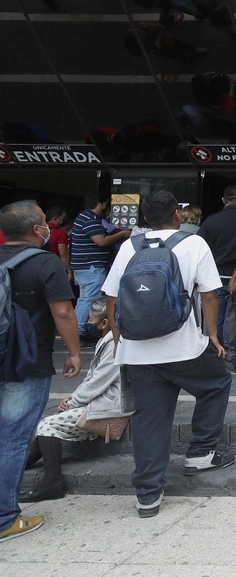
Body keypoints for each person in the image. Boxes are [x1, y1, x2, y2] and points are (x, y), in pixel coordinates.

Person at [102, 190, 231, 518]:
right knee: (215, 383)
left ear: (144, 218)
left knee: (149, 420)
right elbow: (210, 295)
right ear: (177, 214)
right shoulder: (194, 243)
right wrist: (213, 336)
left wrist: (120, 341)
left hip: (138, 352)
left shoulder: (129, 246)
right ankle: (201, 453)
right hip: (184, 348)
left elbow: (113, 299)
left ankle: (147, 496)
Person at [0, 200, 81, 541]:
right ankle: (5, 518)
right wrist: (75, 353)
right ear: (37, 229)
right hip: (26, 362)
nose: (48, 225)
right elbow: (62, 312)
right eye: (45, 221)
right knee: (13, 439)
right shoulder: (46, 263)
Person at [18, 296, 128, 503]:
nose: (88, 324)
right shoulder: (108, 341)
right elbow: (92, 380)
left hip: (111, 407)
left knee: (48, 424)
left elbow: (97, 383)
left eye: (91, 320)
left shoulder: (116, 345)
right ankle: (17, 467)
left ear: (105, 323)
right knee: (48, 426)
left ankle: (52, 481)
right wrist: (73, 398)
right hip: (100, 400)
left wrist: (71, 402)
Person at [197, 185, 236, 371]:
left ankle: (216, 360)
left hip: (215, 277)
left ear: (223, 200)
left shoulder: (211, 221)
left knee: (215, 319)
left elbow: (200, 249)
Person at [70, 192, 131, 346]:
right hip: (91, 267)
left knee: (84, 299)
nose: (108, 208)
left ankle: (77, 332)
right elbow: (101, 241)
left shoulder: (85, 217)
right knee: (88, 300)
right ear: (100, 204)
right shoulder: (89, 219)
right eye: (106, 204)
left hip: (84, 267)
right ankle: (78, 334)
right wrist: (123, 234)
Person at [43, 206, 70, 281]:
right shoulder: (60, 233)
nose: (64, 219)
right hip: (55, 266)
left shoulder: (40, 230)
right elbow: (63, 253)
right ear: (55, 218)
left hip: (40, 264)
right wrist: (68, 270)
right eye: (63, 218)